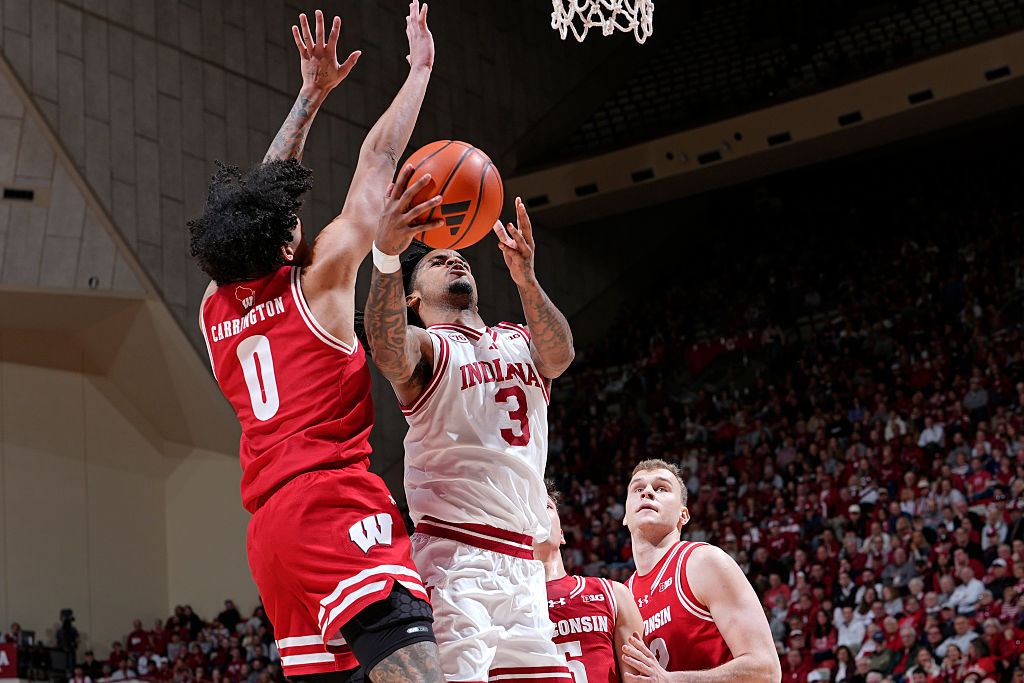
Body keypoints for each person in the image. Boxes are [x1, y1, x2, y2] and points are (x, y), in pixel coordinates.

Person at [188, 4, 443, 681]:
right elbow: (378, 161)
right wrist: (419, 72)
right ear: (283, 241)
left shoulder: (213, 308)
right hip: (330, 503)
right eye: (290, 218)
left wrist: (309, 95)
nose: (299, 216)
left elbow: (265, 199)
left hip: (270, 533)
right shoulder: (321, 279)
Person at [364, 187, 576, 681]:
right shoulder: (428, 348)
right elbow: (387, 349)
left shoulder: (519, 340)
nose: (455, 261)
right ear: (412, 299)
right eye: (439, 260)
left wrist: (526, 277)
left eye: (460, 257)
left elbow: (561, 355)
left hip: (523, 563)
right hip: (455, 559)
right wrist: (387, 255)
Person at [620, 459, 782, 682]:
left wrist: (672, 680)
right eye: (638, 488)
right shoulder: (623, 596)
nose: (647, 492)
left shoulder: (703, 562)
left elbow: (766, 670)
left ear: (683, 515)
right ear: (626, 517)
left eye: (661, 488)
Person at [534, 483, 644, 682]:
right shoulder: (504, 607)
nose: (538, 512)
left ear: (561, 535)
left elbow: (637, 679)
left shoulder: (613, 594)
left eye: (547, 506)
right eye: (530, 507)